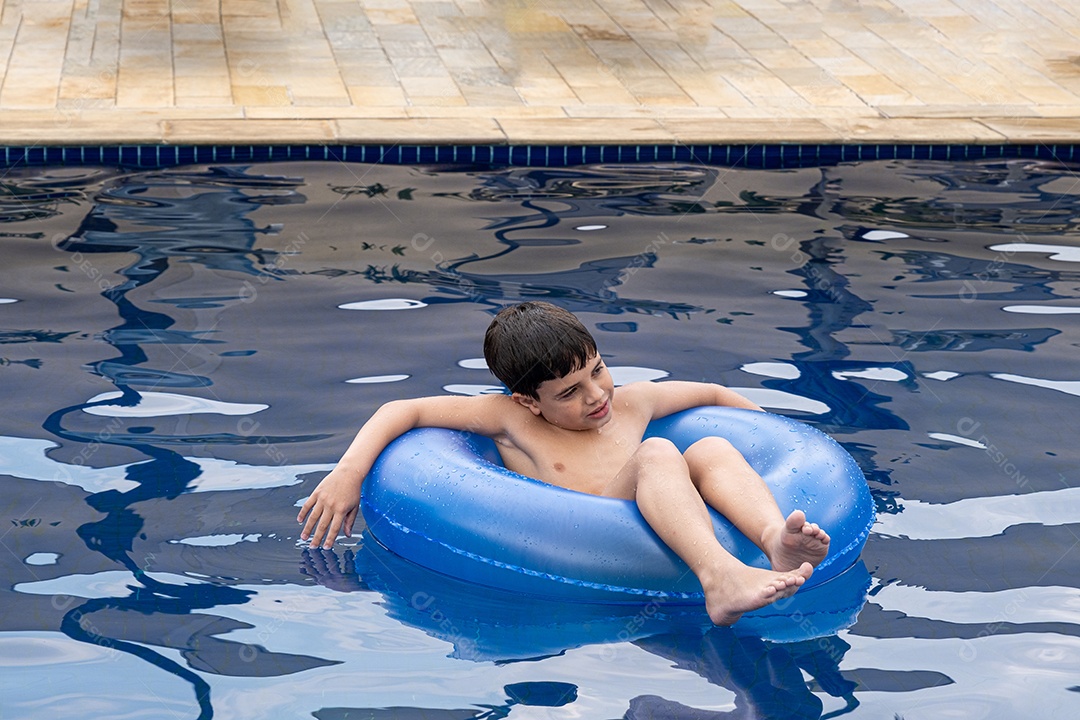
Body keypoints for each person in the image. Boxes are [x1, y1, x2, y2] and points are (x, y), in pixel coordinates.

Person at [298, 301, 830, 625]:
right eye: (570, 392)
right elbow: (404, 408)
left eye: (598, 370)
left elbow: (714, 393)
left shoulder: (632, 402)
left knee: (711, 448)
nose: (597, 395)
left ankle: (771, 540)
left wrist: (788, 438)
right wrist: (349, 471)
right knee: (660, 452)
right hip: (582, 541)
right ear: (529, 400)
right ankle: (718, 577)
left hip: (653, 508)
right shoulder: (511, 420)